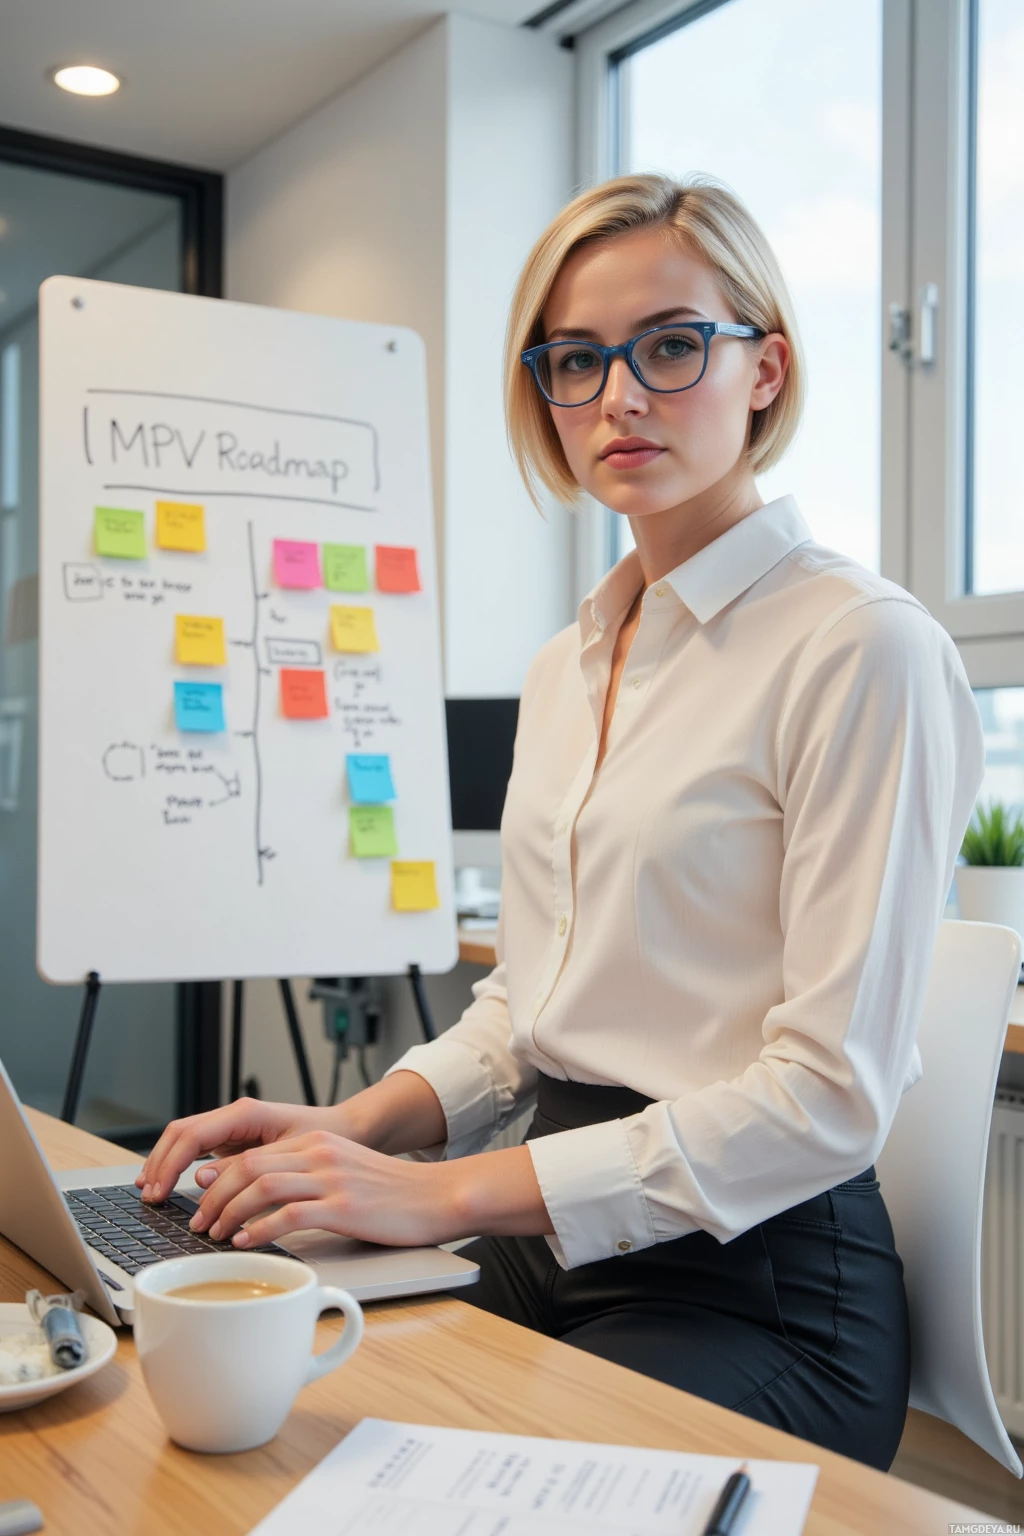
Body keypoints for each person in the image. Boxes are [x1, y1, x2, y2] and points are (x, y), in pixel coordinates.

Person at [138, 174, 985, 1469]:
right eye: (576, 361)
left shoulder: (861, 648)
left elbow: (827, 1098)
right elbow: (526, 1013)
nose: (619, 398)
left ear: (766, 369)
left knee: (446, 1481)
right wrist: (347, 1129)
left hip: (757, 1285)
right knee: (244, 1381)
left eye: (671, 345)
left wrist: (434, 1194)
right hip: (551, 1229)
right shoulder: (570, 661)